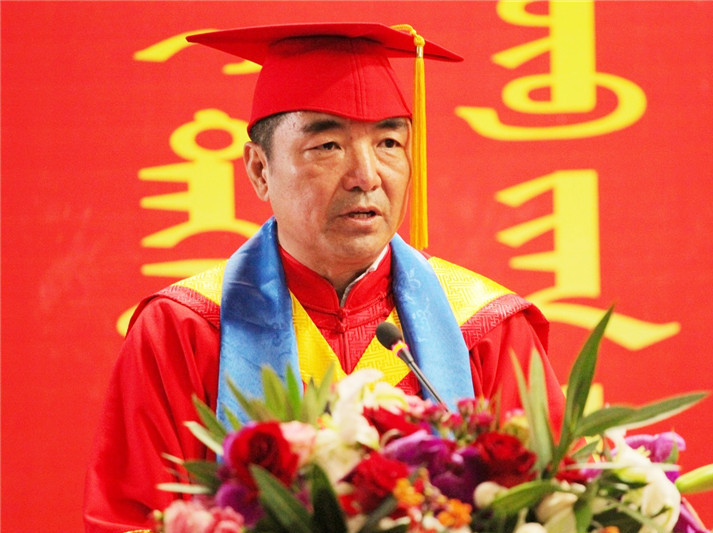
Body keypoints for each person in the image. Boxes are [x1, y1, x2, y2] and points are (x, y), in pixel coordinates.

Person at [83, 22, 565, 533]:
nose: (367, 176)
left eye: (389, 143)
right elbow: (130, 519)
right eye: (328, 146)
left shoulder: (485, 328)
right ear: (260, 170)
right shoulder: (184, 329)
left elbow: (555, 505)